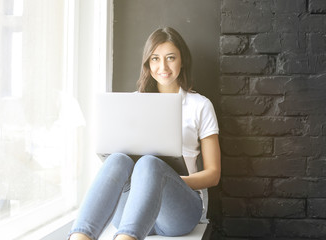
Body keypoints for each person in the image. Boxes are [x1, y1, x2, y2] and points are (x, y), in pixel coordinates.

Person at [68, 27, 221, 240]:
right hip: (132, 211)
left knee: (149, 164)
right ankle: (79, 237)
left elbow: (213, 175)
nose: (163, 67)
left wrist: (164, 180)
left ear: (182, 61)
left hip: (177, 212)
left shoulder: (200, 105)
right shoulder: (132, 103)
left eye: (170, 58)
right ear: (148, 64)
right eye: (155, 59)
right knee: (117, 159)